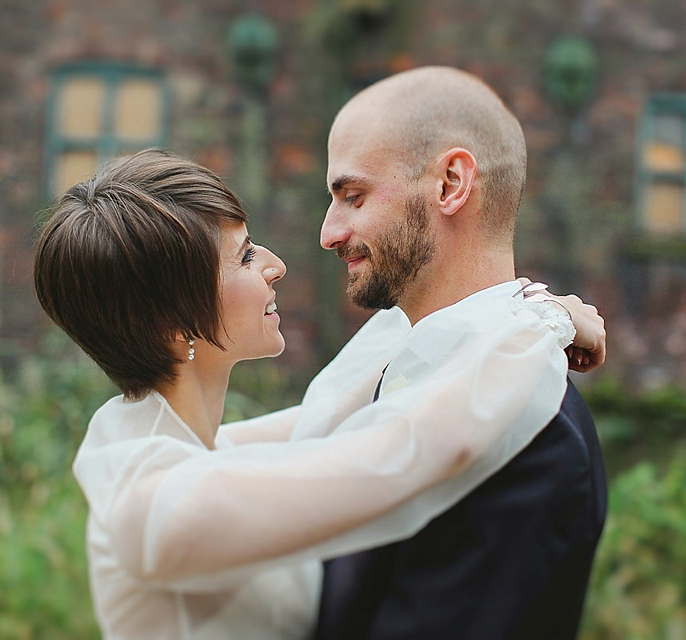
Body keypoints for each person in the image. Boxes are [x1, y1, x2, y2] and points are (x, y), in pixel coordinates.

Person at [33, 149, 603, 639]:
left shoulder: (176, 443)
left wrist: (521, 312)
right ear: (174, 325)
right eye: (245, 256)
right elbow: (411, 446)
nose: (276, 265)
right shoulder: (155, 502)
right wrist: (544, 324)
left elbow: (339, 407)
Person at [311, 66, 608, 640]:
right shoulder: (399, 361)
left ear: (451, 184)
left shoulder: (531, 435)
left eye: (353, 196)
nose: (328, 232)